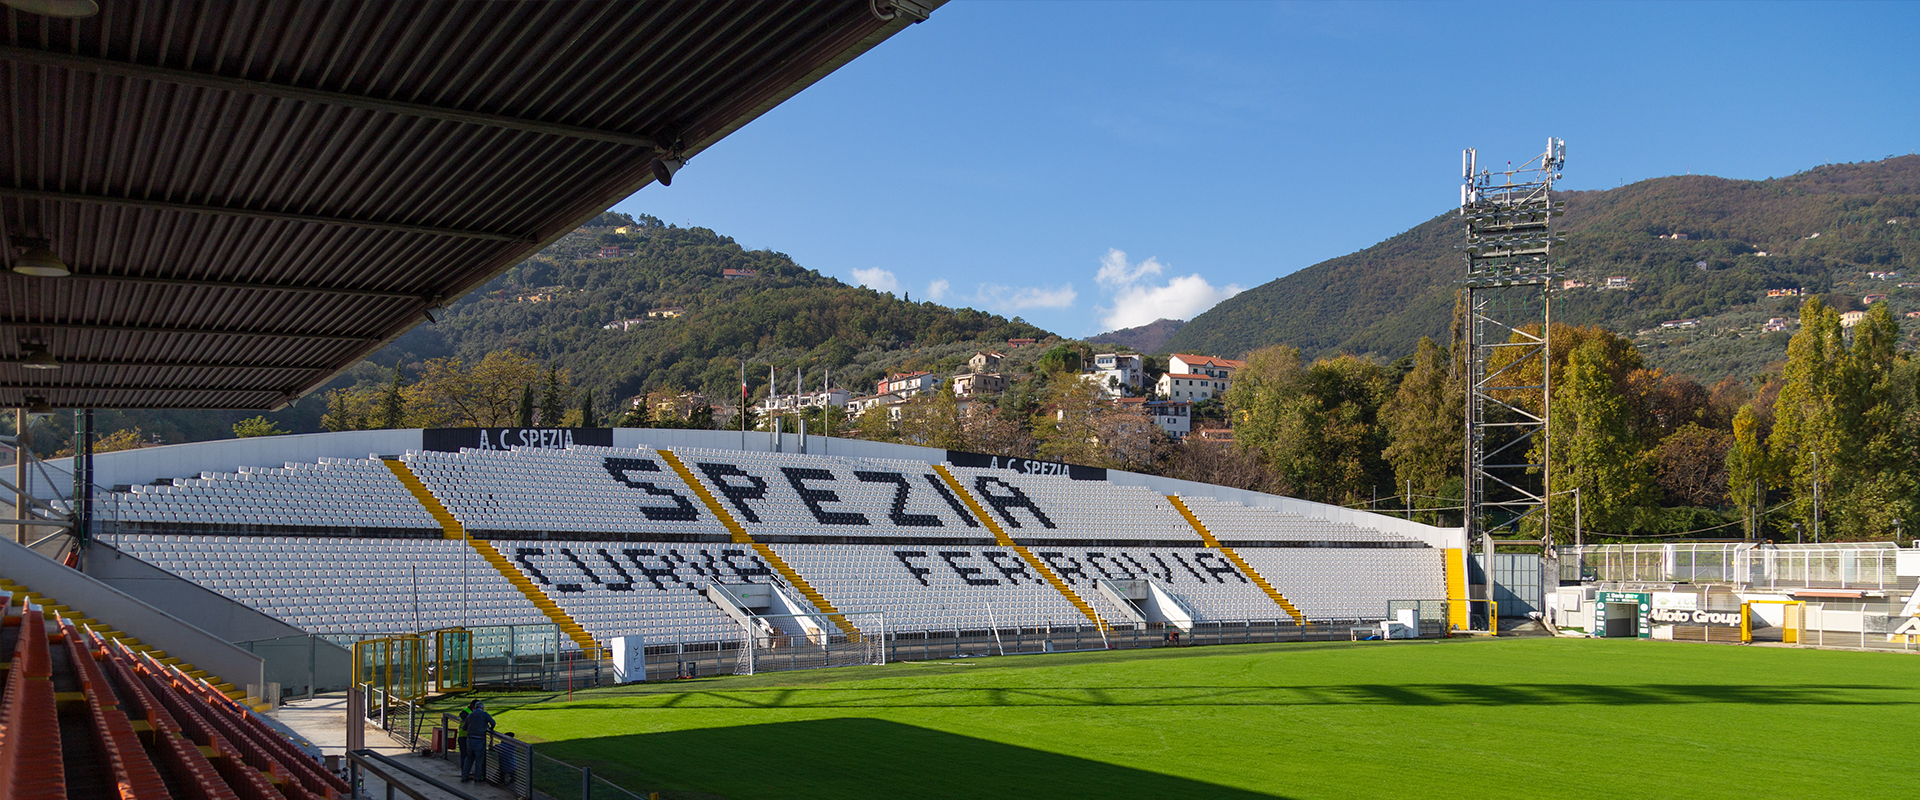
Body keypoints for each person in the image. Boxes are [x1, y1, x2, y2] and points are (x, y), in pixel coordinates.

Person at [459, 700, 495, 782]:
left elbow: (464, 727)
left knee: (468, 759)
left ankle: (464, 777)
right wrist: (489, 728)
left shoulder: (470, 715)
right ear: (482, 707)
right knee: (479, 760)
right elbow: (493, 723)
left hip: (469, 740)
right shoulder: (484, 714)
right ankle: (477, 778)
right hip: (479, 740)